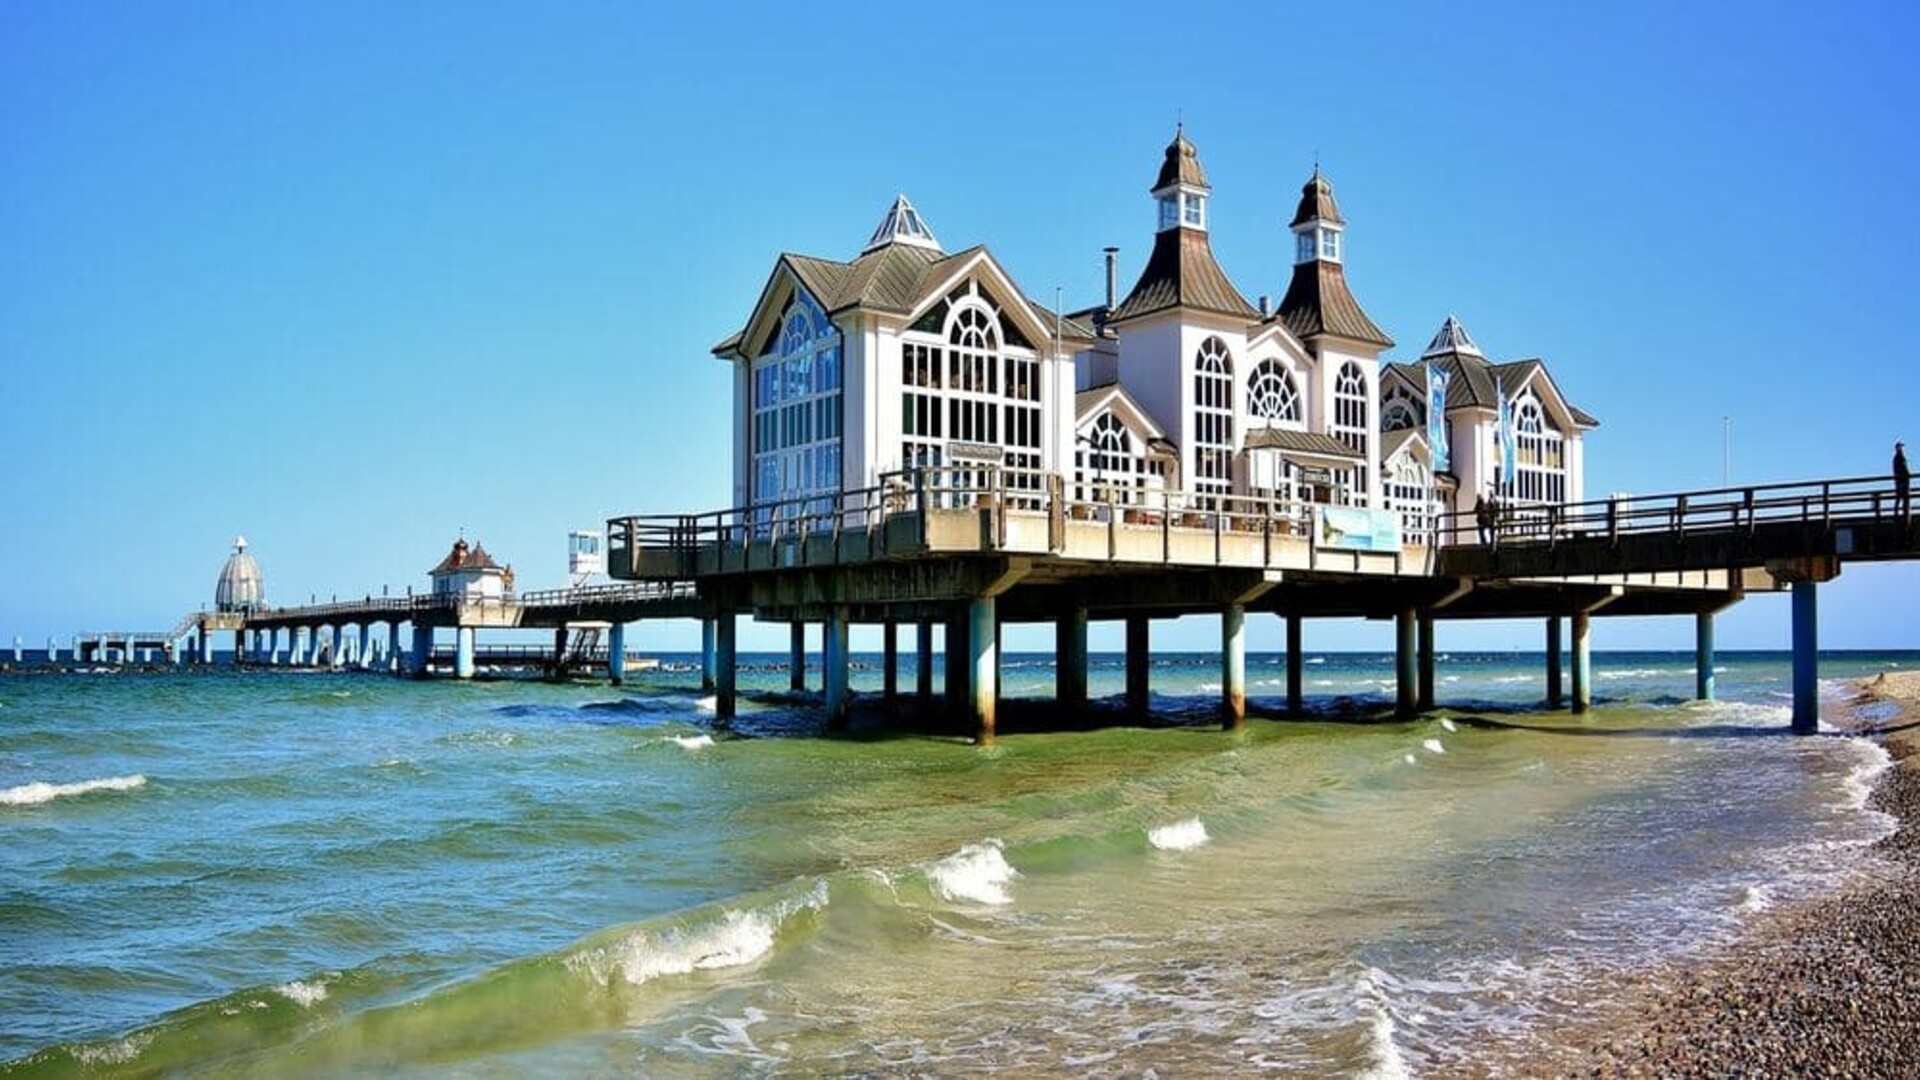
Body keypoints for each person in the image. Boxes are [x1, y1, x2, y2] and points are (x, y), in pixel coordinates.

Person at [1896, 440, 1912, 520]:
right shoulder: (1899, 457)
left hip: (1900, 481)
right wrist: (1907, 475)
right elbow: (1903, 468)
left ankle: (1898, 513)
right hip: (1902, 481)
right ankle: (1903, 516)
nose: (1901, 448)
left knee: (1900, 498)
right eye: (1900, 447)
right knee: (1903, 499)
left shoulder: (1898, 458)